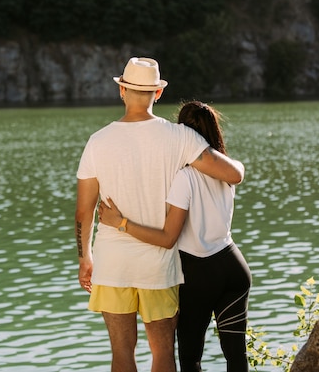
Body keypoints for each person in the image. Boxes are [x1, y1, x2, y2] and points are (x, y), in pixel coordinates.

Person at [75, 57, 245, 372]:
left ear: (122, 91)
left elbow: (84, 209)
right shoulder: (181, 137)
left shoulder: (97, 142)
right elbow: (232, 176)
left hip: (113, 262)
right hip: (159, 267)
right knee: (163, 353)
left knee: (122, 354)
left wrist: (85, 258)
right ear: (158, 94)